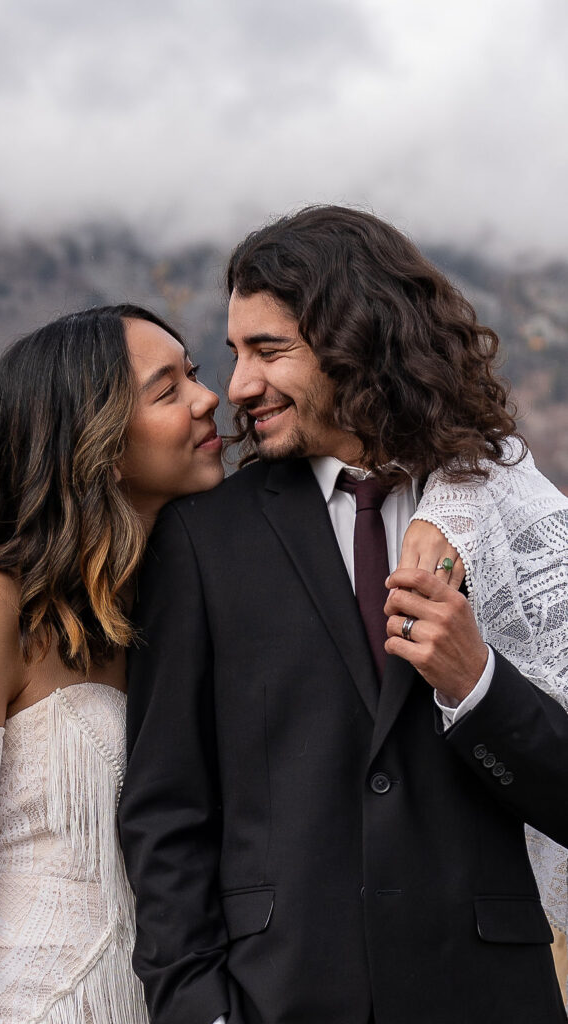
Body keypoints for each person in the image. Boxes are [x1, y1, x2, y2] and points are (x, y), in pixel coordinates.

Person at [118, 207, 568, 1024]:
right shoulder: (202, 537)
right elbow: (165, 809)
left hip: (489, 997)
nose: (239, 387)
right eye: (235, 353)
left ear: (358, 338)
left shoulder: (505, 515)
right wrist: (196, 1008)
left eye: (269, 350)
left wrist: (478, 684)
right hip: (277, 996)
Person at [0, 304, 225, 1024]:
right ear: (100, 444)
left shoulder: (188, 608)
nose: (209, 398)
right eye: (168, 391)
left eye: (192, 374)